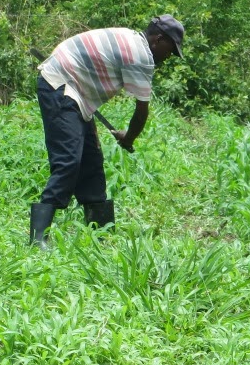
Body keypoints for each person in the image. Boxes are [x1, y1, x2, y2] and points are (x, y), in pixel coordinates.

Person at [30, 14, 185, 246]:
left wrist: (127, 136)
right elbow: (141, 112)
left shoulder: (132, 38)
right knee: (69, 160)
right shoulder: (141, 56)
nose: (169, 55)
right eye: (170, 49)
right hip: (60, 84)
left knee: (91, 162)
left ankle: (101, 236)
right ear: (158, 39)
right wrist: (128, 138)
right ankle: (38, 238)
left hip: (77, 91)